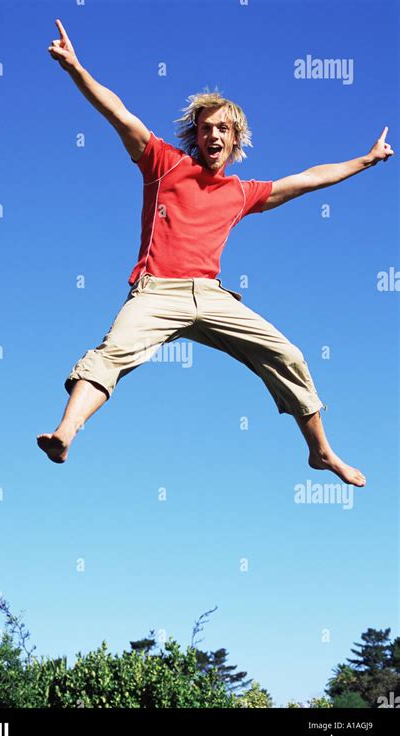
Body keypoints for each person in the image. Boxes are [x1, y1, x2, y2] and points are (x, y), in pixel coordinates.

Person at [38, 19, 394, 485]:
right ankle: (66, 432)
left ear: (235, 138)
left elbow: (306, 179)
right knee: (112, 352)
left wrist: (364, 161)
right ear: (196, 134)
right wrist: (76, 69)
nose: (214, 135)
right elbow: (120, 115)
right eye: (206, 128)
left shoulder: (242, 192)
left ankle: (322, 453)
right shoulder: (163, 163)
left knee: (288, 356)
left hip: (211, 295)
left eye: (223, 129)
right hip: (156, 292)